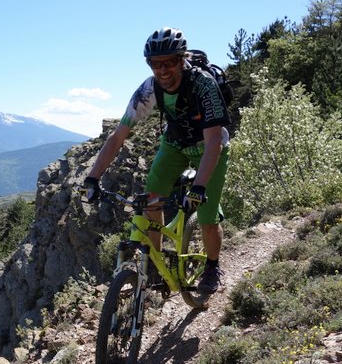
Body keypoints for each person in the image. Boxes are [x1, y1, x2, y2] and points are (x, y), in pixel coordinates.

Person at [83, 27, 231, 295]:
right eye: (155, 64)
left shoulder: (203, 85)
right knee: (152, 196)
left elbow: (213, 143)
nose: (162, 70)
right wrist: (92, 177)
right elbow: (117, 137)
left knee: (208, 215)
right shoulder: (148, 89)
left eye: (169, 62)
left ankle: (212, 266)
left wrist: (198, 188)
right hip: (174, 144)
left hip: (210, 148)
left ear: (182, 59)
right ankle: (156, 261)